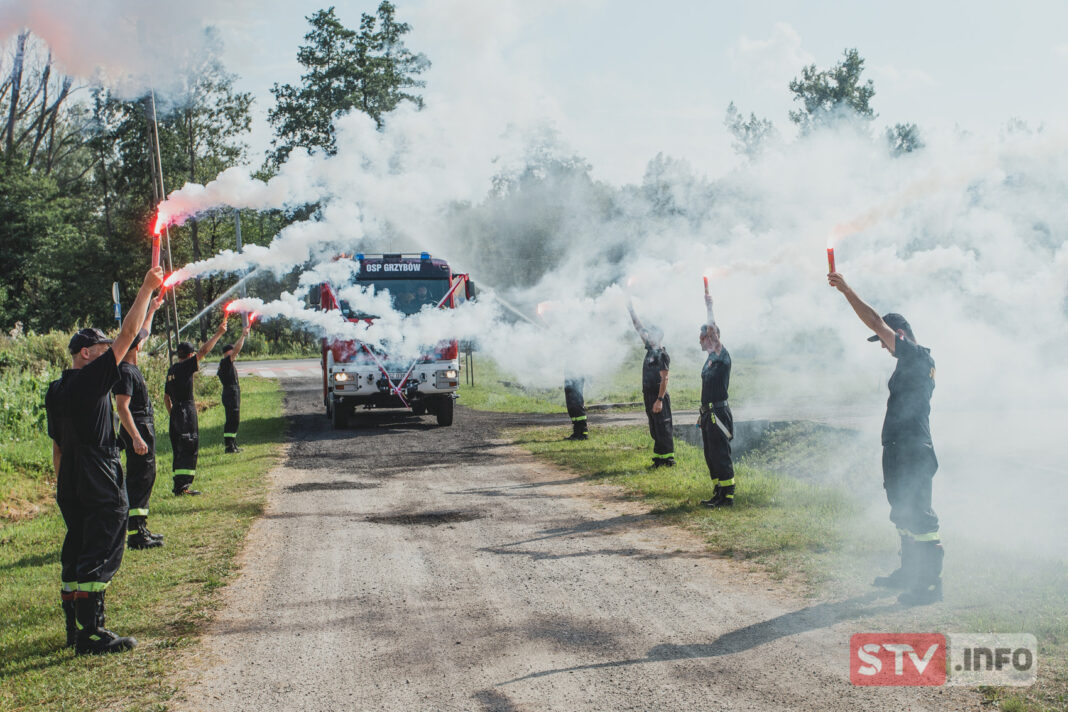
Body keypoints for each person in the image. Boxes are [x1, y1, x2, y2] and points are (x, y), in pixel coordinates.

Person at [45, 266, 164, 654]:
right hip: (98, 472)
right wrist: (146, 288)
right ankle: (92, 633)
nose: (112, 351)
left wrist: (63, 489)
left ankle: (74, 628)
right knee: (101, 547)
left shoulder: (56, 389)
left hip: (70, 478)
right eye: (102, 347)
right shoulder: (91, 378)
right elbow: (128, 335)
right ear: (86, 353)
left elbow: (57, 446)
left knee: (77, 548)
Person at [829, 272, 942, 606]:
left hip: (913, 448)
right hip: (898, 448)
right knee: (903, 511)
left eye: (883, 340)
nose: (882, 346)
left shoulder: (917, 356)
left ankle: (929, 585)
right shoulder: (909, 361)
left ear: (900, 335)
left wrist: (846, 290)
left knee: (919, 515)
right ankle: (909, 573)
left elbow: (877, 322)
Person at [113, 295, 166, 550]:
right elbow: (122, 407)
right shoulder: (124, 371)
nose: (142, 341)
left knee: (146, 476)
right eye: (139, 342)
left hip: (144, 426)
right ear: (135, 347)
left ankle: (141, 527)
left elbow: (143, 332)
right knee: (139, 477)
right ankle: (136, 534)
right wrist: (135, 436)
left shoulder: (130, 363)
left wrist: (152, 308)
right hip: (138, 426)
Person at [165, 316, 228, 496]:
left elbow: (166, 397)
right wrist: (219, 333)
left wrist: (173, 415)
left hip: (176, 412)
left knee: (178, 448)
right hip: (186, 411)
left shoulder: (172, 370)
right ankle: (183, 487)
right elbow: (204, 351)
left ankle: (178, 484)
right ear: (190, 355)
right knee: (189, 445)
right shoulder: (185, 367)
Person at [697, 292, 735, 507]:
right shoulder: (710, 359)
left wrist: (709, 308)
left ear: (713, 337)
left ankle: (727, 496)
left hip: (718, 414)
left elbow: (713, 332)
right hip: (708, 413)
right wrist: (702, 412)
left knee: (720, 454)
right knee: (710, 455)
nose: (700, 340)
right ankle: (718, 492)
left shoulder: (722, 355)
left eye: (704, 337)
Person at [628, 302, 674, 467]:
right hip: (648, 395)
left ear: (658, 336)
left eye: (651, 333)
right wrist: (631, 309)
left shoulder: (662, 354)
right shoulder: (650, 349)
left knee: (663, 427)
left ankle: (668, 459)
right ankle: (659, 459)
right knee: (655, 428)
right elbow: (638, 327)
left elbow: (665, 379)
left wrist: (659, 400)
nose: (648, 335)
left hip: (658, 396)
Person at [217, 319, 253, 453]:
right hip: (230, 393)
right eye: (232, 352)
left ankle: (232, 443)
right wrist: (243, 335)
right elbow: (237, 349)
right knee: (232, 420)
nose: (235, 354)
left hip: (232, 393)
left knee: (234, 420)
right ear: (228, 353)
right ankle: (229, 446)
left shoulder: (227, 363)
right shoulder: (226, 362)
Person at [563, 374, 589, 441]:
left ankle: (582, 433)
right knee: (572, 407)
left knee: (577, 405)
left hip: (577, 377)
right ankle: (577, 432)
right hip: (570, 377)